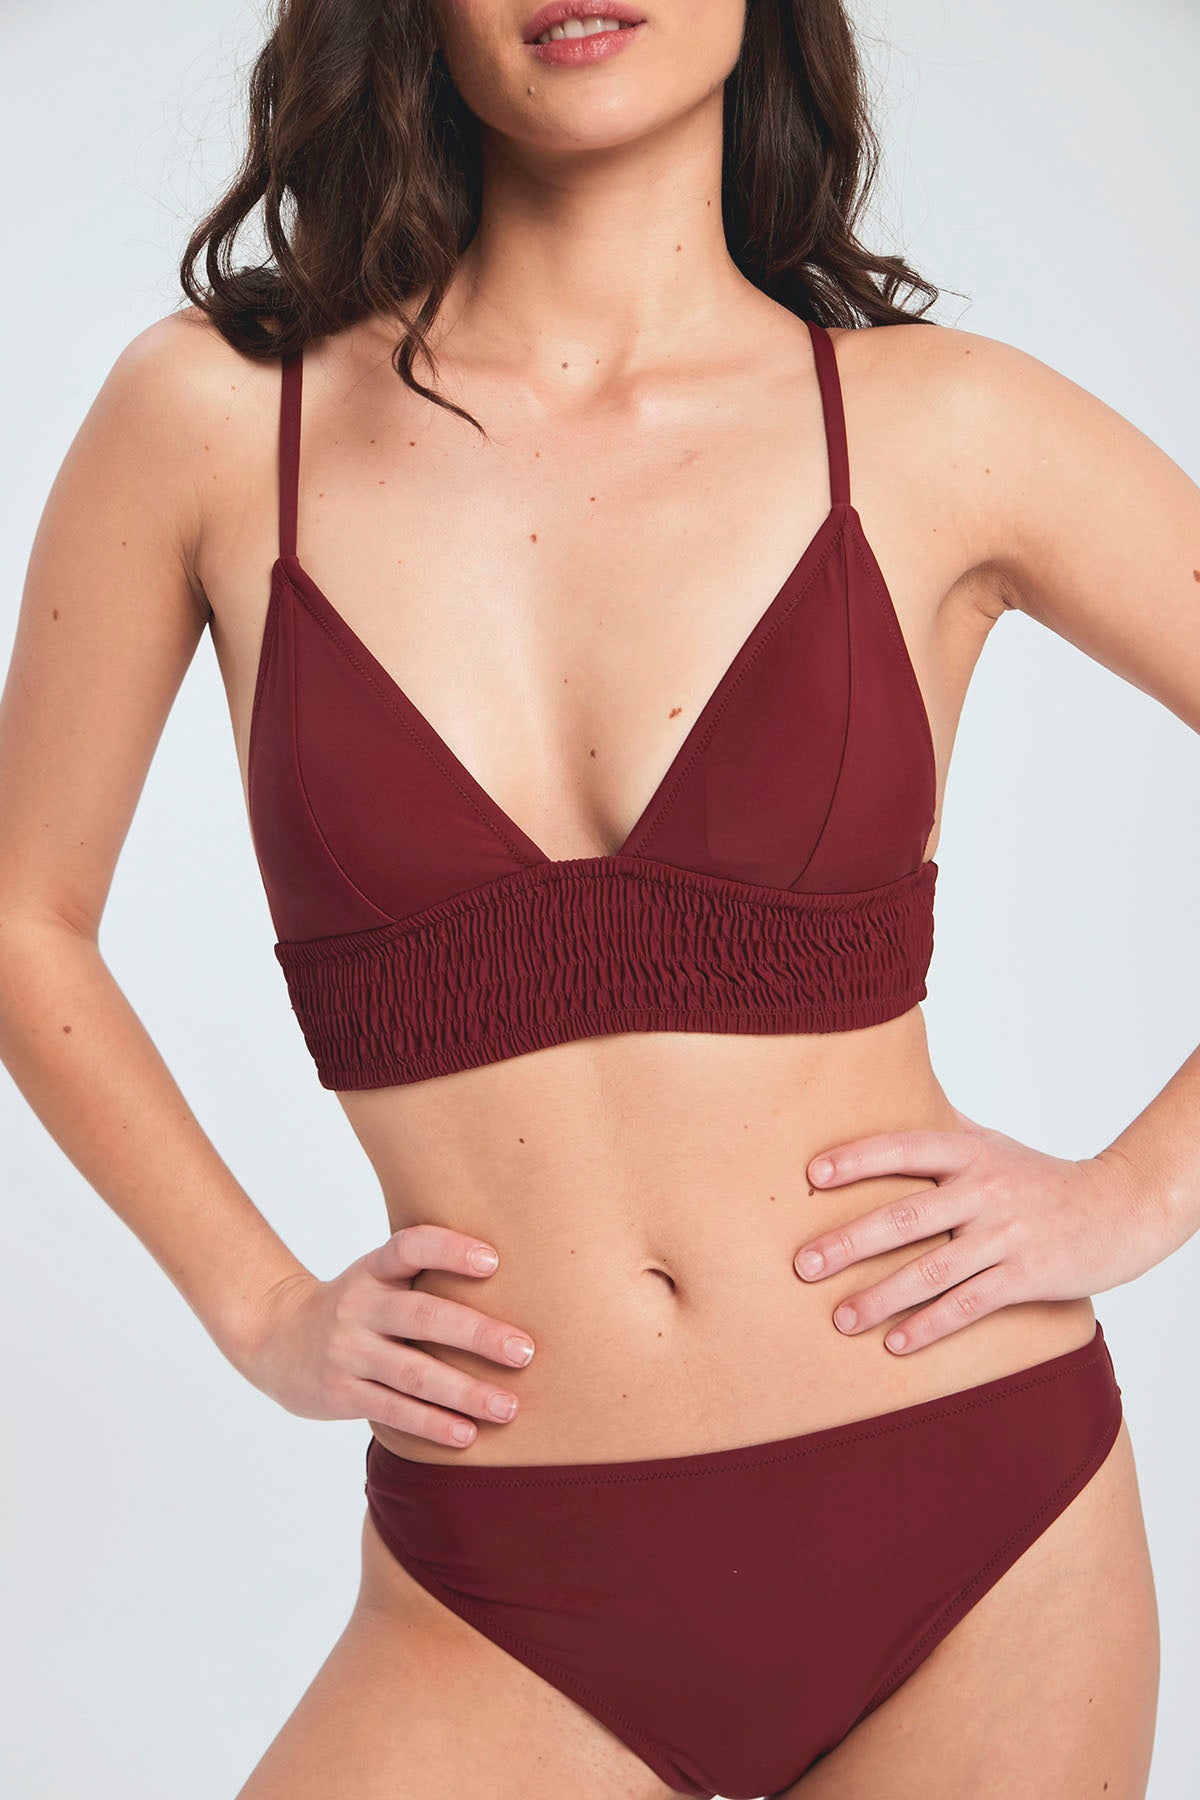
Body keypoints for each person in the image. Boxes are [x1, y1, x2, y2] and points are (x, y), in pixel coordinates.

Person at [1, 2, 1195, 1795]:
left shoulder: (941, 423)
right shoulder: (219, 420)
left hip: (977, 1520)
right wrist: (259, 1310)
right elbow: (23, 914)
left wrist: (1142, 1193)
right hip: (503, 1584)